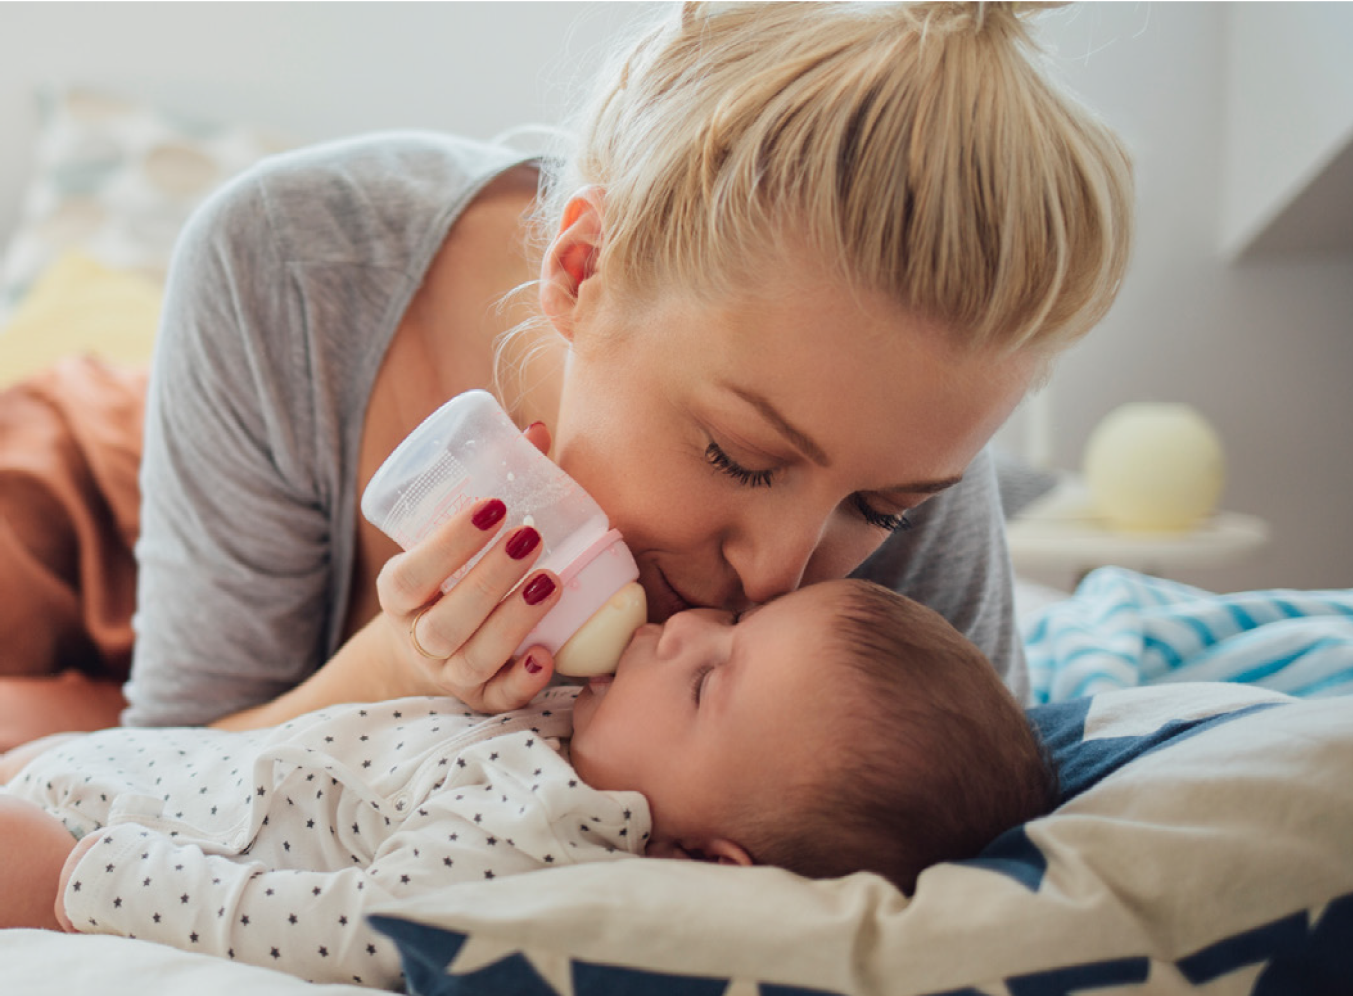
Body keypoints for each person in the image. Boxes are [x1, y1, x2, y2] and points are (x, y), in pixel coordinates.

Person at [0, 0, 1132, 747]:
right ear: (581, 271)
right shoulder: (290, 270)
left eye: (878, 510)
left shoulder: (896, 423)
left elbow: (956, 805)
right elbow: (163, 773)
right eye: (737, 455)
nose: (780, 575)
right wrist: (388, 671)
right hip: (105, 491)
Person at [0, 577, 1056, 988]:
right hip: (107, 771)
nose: (684, 625)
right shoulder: (576, 726)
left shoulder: (540, 838)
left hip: (75, 840)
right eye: (728, 628)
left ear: (698, 858)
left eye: (705, 684)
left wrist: (74, 883)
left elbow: (356, 928)